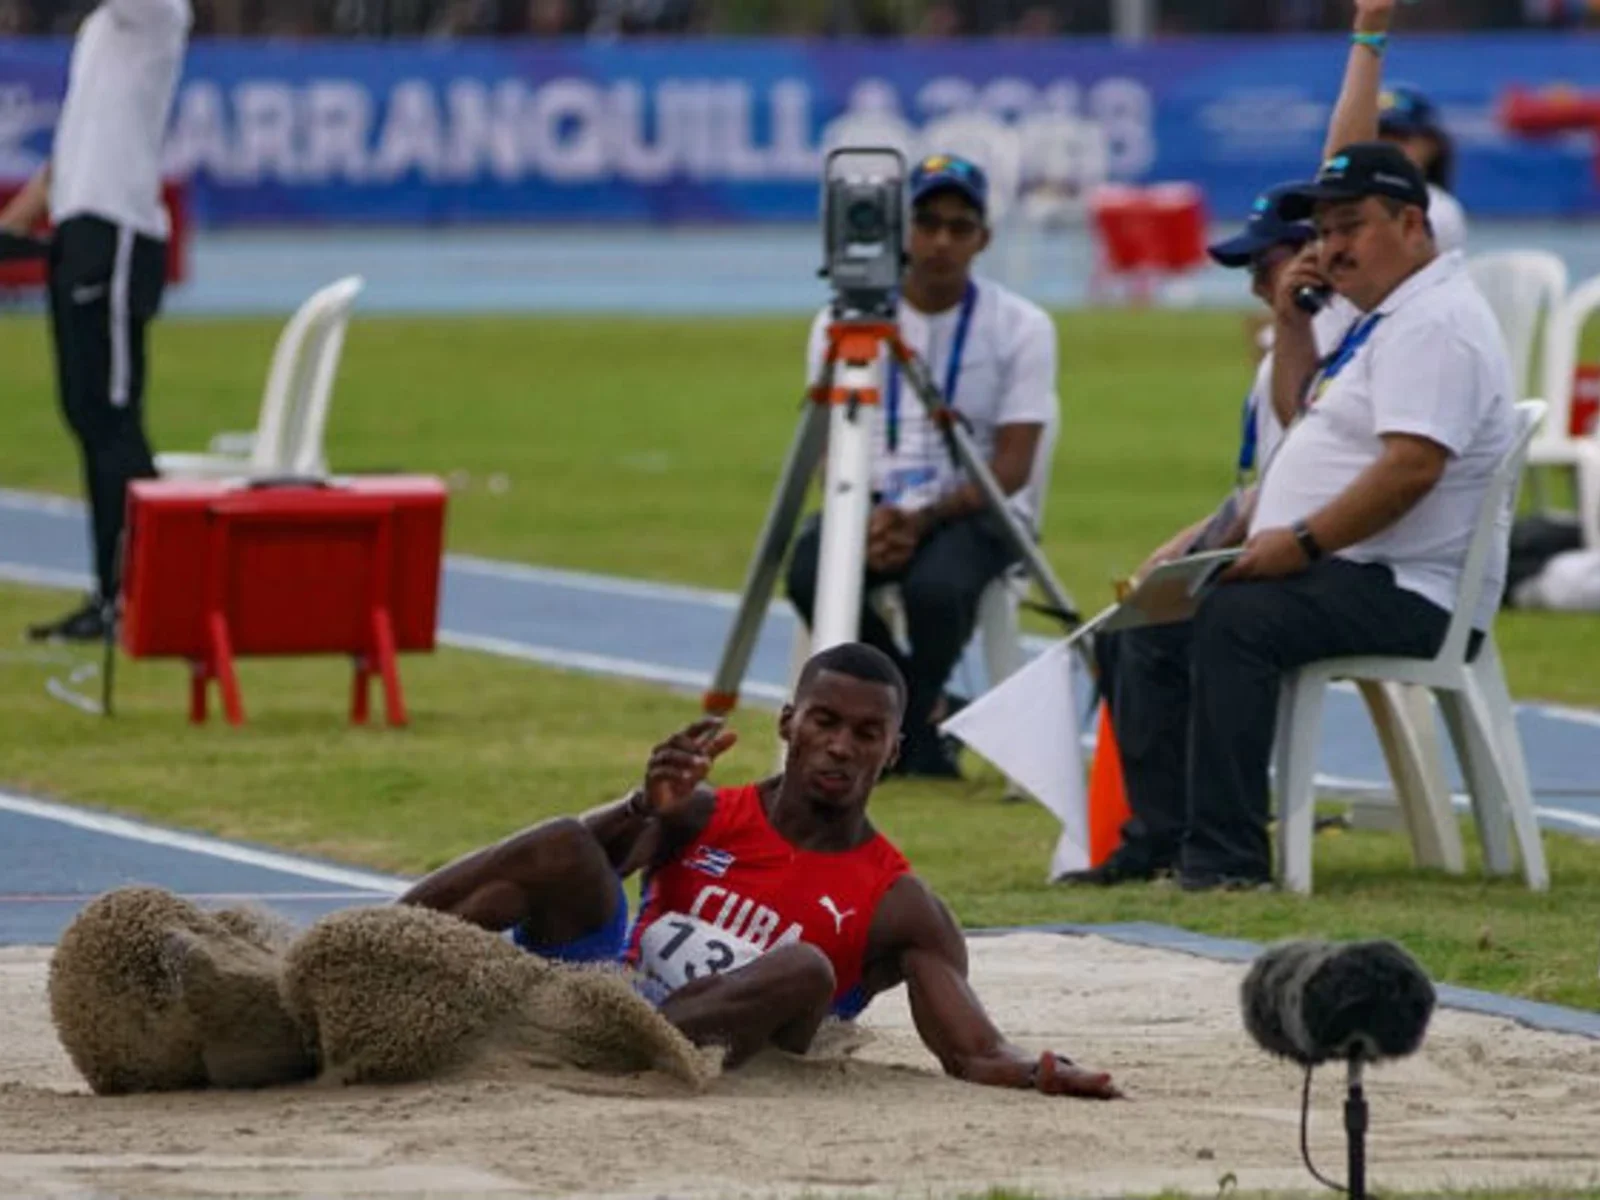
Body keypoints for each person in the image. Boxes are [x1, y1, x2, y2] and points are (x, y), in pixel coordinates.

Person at [400, 642, 1120, 1098]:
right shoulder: (703, 812)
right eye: (824, 722)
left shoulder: (900, 904)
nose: (839, 746)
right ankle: (371, 955)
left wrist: (1047, 1072)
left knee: (803, 966)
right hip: (598, 997)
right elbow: (569, 868)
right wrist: (639, 805)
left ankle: (627, 1044)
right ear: (788, 724)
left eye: (865, 734)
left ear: (892, 751)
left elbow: (976, 1052)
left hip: (720, 1043)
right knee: (561, 837)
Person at [1079, 142, 1516, 892]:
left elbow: (1414, 467)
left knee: (1234, 619)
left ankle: (1226, 860)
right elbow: (1303, 426)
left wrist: (1304, 542)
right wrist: (1291, 325)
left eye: (1350, 227)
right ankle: (1160, 844)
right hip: (1351, 567)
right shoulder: (1383, 316)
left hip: (1410, 586)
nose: (1333, 249)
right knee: (1149, 619)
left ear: (1411, 222)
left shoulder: (1434, 322)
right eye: (1323, 232)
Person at [1058, 184, 1316, 887]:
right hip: (1277, 542)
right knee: (1127, 623)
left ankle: (1215, 844)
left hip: (1327, 555)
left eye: (1269, 263)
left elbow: (1306, 481)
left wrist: (1204, 544)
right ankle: (1157, 836)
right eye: (1253, 268)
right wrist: (1191, 540)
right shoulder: (1280, 357)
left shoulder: (1341, 344)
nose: (1258, 283)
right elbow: (1270, 477)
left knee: (1206, 619)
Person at [784, 154, 1061, 779]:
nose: (940, 241)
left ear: (983, 238)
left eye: (959, 227)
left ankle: (906, 726)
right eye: (926, 222)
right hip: (872, 501)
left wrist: (924, 517)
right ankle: (926, 712)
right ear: (897, 229)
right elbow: (828, 451)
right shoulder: (840, 322)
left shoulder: (1022, 326)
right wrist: (876, 515)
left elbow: (1013, 467)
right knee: (806, 569)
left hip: (976, 507)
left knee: (935, 589)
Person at [0, 0, 192, 642]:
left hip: (116, 232)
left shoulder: (155, 11)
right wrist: (17, 221)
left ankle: (145, 592)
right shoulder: (102, 30)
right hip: (81, 229)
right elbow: (72, 144)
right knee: (87, 412)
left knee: (112, 418)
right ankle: (115, 590)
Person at [1378, 83, 1468, 254]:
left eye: (1400, 137)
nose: (1385, 148)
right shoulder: (1341, 202)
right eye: (1377, 136)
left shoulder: (1438, 211)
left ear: (1432, 145)